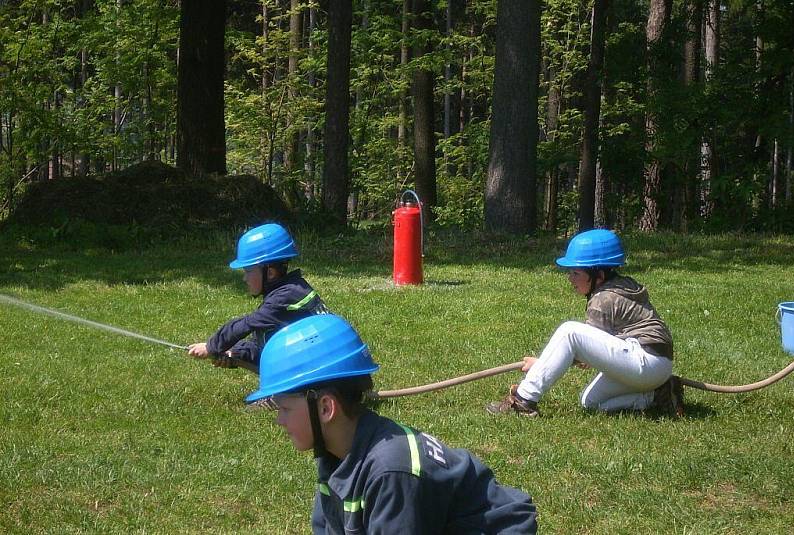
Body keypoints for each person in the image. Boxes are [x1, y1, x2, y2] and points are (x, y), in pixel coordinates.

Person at [246, 314, 538, 534]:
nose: (278, 419)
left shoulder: (391, 471)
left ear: (325, 407)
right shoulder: (335, 453)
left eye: (283, 408)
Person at [487, 228, 684, 417]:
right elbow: (589, 353)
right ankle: (657, 395)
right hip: (656, 367)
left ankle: (523, 399)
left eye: (576, 273)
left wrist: (540, 365)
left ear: (598, 275)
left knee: (569, 332)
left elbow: (581, 353)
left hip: (644, 359)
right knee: (590, 402)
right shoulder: (622, 284)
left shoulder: (603, 300)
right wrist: (543, 364)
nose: (570, 279)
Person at [187, 223, 327, 373]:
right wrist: (235, 354)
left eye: (248, 271)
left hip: (323, 375)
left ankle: (295, 396)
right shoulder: (291, 289)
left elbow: (247, 324)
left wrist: (211, 346)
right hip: (316, 363)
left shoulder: (282, 299)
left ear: (270, 273)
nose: (244, 278)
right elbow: (263, 344)